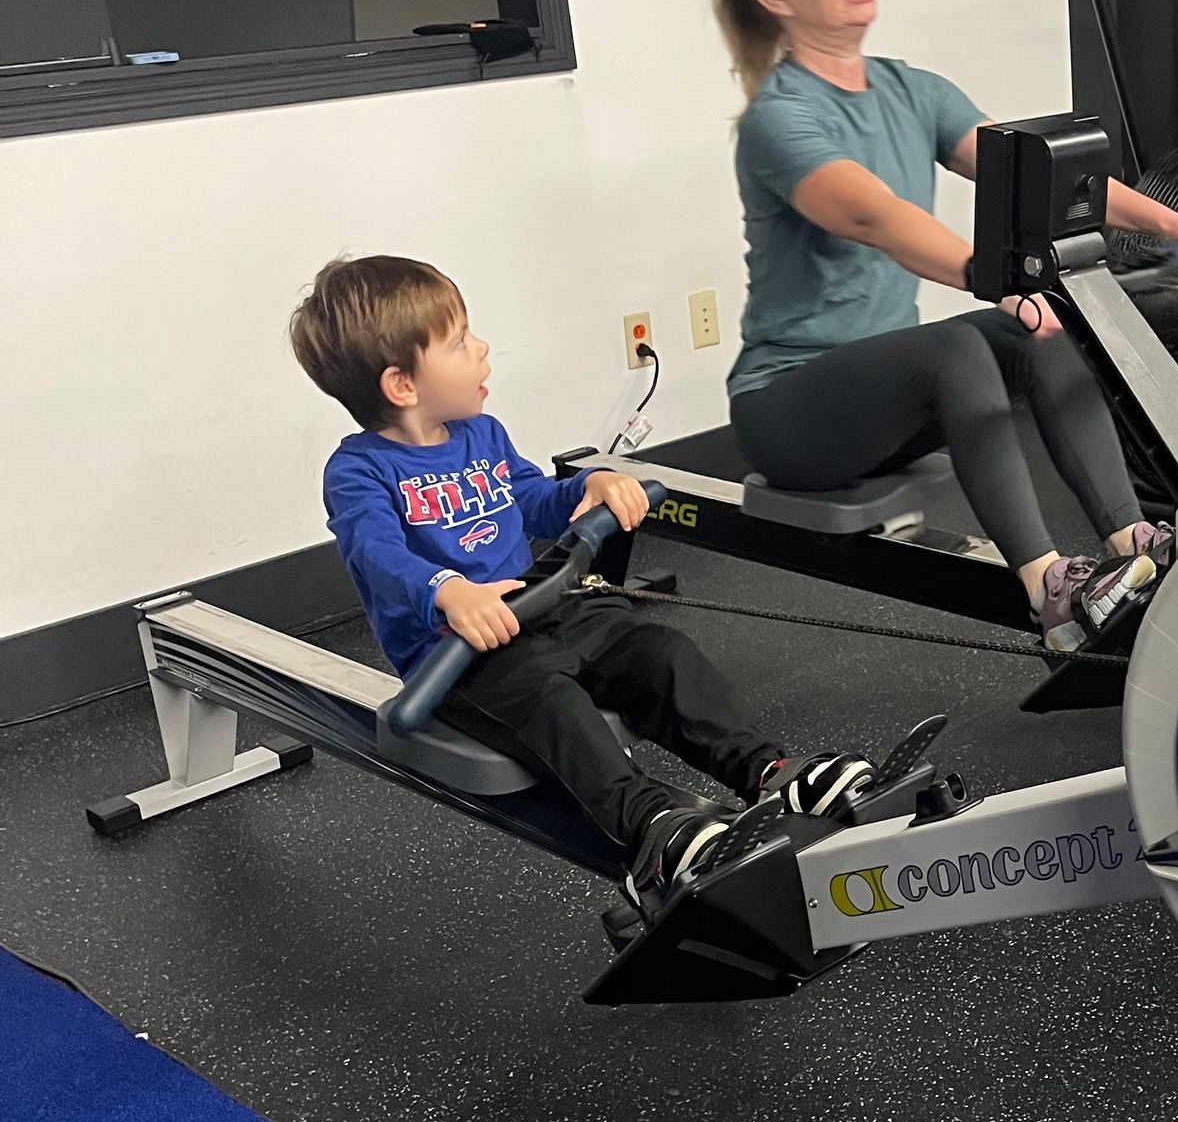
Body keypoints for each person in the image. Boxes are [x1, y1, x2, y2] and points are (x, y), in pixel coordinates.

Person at [714, 0, 1178, 653]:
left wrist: (1175, 222)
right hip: (789, 411)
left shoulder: (911, 90)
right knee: (962, 343)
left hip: (885, 403)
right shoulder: (781, 117)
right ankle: (1049, 590)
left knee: (1039, 329)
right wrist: (993, 274)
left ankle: (1134, 547)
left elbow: (1036, 177)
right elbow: (873, 217)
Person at [289, 255, 877, 904]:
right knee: (551, 698)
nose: (482, 349)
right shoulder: (359, 470)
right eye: (459, 343)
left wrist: (589, 487)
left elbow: (533, 497)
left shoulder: (481, 434)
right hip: (459, 653)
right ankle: (653, 830)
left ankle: (768, 770)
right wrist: (448, 592)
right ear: (402, 385)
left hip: (548, 609)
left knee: (660, 653)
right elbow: (376, 555)